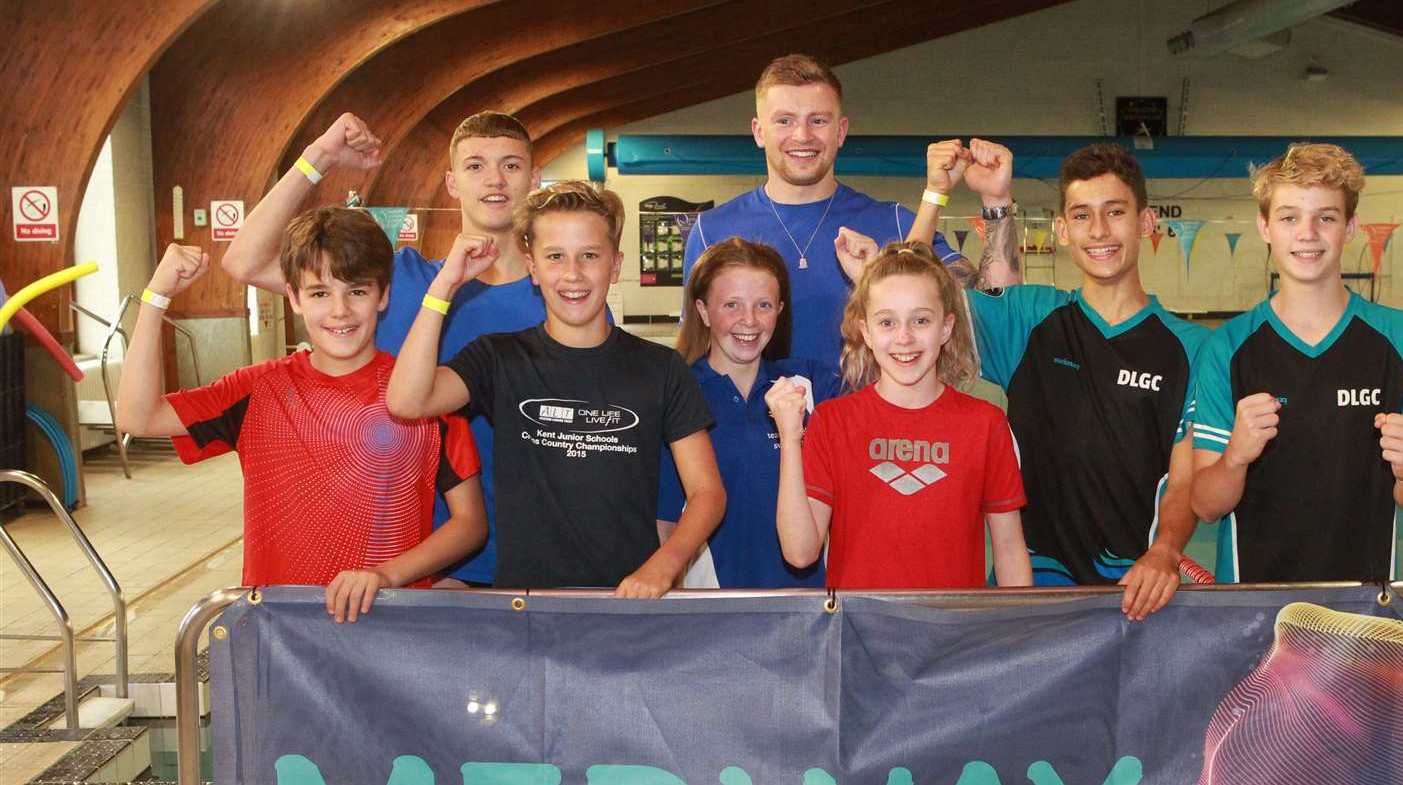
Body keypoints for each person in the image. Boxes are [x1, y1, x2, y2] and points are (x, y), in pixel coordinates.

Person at [223, 110, 546, 588]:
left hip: (530, 550)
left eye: (511, 166)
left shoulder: (561, 298)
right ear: (452, 182)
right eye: (476, 166)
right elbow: (244, 261)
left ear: (534, 179)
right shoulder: (398, 282)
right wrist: (319, 158)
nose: (494, 179)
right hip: (404, 558)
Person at [118, 209, 485, 622]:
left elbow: (469, 523)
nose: (340, 310)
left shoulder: (420, 397)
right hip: (284, 631)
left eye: (357, 292)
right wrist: (155, 298)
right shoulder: (259, 390)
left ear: (383, 295)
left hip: (393, 625)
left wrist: (386, 574)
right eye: (319, 293)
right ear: (293, 298)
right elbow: (138, 416)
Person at [904, 140, 1206, 620]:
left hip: (1134, 592)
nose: (1099, 230)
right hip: (1031, 588)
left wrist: (1165, 552)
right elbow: (907, 289)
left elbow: (1187, 475)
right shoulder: (1032, 319)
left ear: (1146, 223)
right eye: (1082, 216)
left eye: (1115, 212)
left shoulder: (1192, 348)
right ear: (1063, 231)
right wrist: (937, 195)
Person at [386, 181, 725, 597]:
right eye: (555, 257)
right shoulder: (498, 358)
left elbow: (707, 493)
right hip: (527, 609)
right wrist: (444, 287)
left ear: (615, 266)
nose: (573, 274)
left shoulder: (661, 368)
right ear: (533, 267)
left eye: (589, 256)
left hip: (624, 605)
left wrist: (665, 564)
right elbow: (406, 401)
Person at [1190, 142, 1403, 582]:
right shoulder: (1228, 348)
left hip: (1364, 606)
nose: (1307, 233)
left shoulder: (1400, 339)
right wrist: (1235, 457)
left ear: (1350, 228)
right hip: (1251, 606)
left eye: (1325, 218)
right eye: (1289, 217)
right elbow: (1205, 506)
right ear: (1264, 227)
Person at [682, 54, 1021, 373]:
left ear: (841, 131)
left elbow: (996, 311)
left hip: (869, 433)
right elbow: (693, 349)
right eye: (785, 120)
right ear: (759, 132)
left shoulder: (899, 224)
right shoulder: (712, 232)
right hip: (752, 432)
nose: (802, 135)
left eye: (818, 120)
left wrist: (997, 200)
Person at [767, 241, 1031, 590]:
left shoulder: (986, 423)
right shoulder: (833, 422)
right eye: (887, 322)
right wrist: (789, 438)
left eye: (920, 320)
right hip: (860, 635)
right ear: (867, 333)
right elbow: (800, 553)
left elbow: (1010, 550)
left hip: (955, 636)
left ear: (946, 328)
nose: (904, 338)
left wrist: (1020, 640)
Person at [655, 237, 841, 587]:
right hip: (713, 613)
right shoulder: (676, 394)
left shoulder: (812, 384)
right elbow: (665, 524)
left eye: (764, 305)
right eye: (731, 305)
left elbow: (892, 391)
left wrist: (867, 282)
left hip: (809, 609)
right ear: (703, 310)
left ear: (781, 310)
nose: (750, 321)